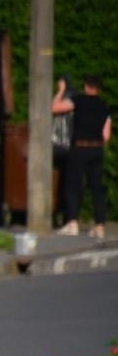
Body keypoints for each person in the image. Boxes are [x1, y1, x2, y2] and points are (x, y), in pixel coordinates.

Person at [52, 75, 111, 238]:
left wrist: (61, 90)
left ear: (86, 86)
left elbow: (54, 108)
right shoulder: (104, 106)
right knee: (97, 188)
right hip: (97, 150)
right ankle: (99, 226)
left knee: (73, 186)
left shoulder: (78, 100)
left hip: (80, 148)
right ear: (98, 89)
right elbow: (106, 135)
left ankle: (72, 224)